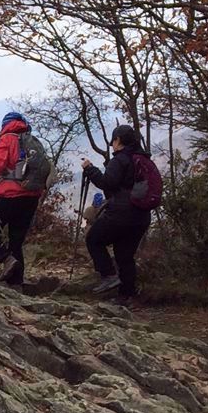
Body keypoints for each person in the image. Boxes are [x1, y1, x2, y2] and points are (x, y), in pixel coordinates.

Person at [0, 111, 49, 285]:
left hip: (11, 195)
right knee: (16, 239)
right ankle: (16, 283)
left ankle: (6, 259)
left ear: (6, 124)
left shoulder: (8, 138)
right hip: (32, 196)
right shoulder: (30, 140)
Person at [82, 124, 157, 300]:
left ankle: (108, 275)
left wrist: (90, 169)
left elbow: (107, 183)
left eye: (113, 141)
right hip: (141, 216)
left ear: (118, 140)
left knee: (94, 239)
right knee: (125, 255)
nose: (112, 145)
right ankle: (126, 296)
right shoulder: (144, 159)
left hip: (121, 214)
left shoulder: (120, 160)